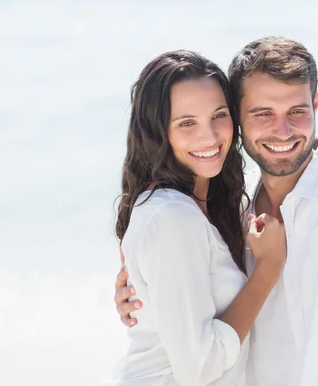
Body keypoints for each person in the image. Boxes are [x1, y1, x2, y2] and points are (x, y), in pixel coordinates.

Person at [114, 37, 318, 385]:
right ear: (239, 117)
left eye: (297, 112)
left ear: (315, 104)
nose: (282, 130)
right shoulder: (233, 214)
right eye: (263, 113)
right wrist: (147, 298)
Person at [107, 50, 287, 386]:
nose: (209, 136)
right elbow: (200, 368)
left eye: (218, 116)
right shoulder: (172, 216)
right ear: (158, 131)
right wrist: (268, 269)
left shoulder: (206, 208)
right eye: (187, 123)